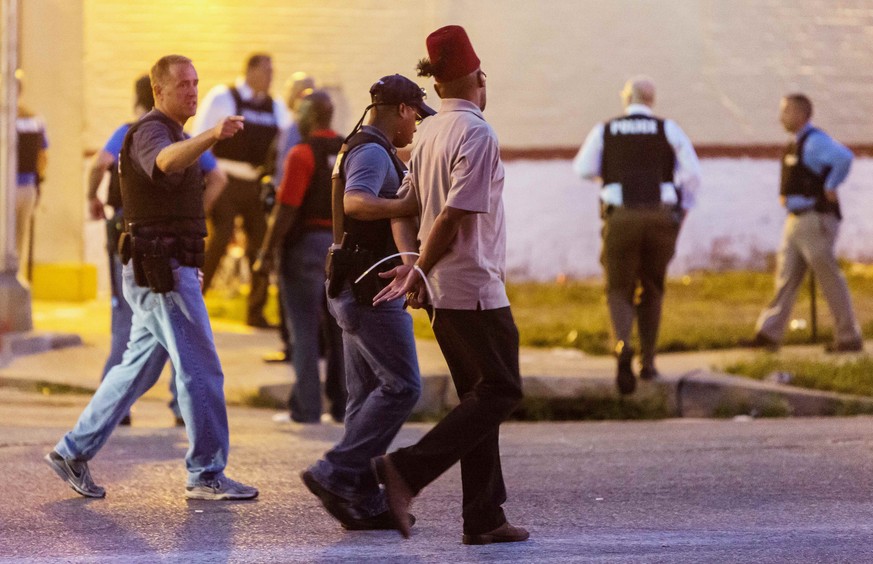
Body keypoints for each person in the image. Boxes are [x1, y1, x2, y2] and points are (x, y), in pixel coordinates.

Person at [45, 54, 257, 501]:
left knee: (137, 371)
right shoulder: (151, 131)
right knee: (201, 370)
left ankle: (72, 451)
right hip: (160, 271)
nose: (193, 92)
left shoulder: (176, 132)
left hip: (165, 268)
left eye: (196, 83)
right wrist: (212, 136)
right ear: (158, 91)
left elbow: (196, 183)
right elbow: (163, 161)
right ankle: (205, 472)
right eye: (183, 84)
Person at [370, 25, 529, 545]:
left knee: (475, 398)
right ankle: (406, 471)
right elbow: (454, 214)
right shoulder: (478, 133)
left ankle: (483, 516)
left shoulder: (430, 133)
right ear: (479, 76)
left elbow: (407, 204)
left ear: (436, 87)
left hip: (440, 289)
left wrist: (415, 261)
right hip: (474, 285)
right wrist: (416, 267)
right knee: (502, 390)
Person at [299, 74, 434, 530]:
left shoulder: (357, 145)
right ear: (400, 110)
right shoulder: (374, 151)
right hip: (370, 287)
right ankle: (337, 470)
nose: (416, 126)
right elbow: (357, 203)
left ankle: (357, 494)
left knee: (363, 395)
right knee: (403, 386)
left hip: (349, 284)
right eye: (416, 115)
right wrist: (406, 204)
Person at [86, 74, 227, 426]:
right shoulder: (177, 139)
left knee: (129, 316)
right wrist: (195, 212)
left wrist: (92, 197)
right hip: (163, 242)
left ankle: (109, 414)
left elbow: (99, 163)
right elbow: (219, 177)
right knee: (171, 327)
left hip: (127, 230)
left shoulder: (128, 131)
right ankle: (180, 408)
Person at [572, 76, 701, 395]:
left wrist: (610, 174)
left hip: (622, 216)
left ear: (625, 99)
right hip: (660, 215)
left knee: (619, 286)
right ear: (651, 100)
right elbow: (693, 174)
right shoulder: (667, 128)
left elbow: (583, 168)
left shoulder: (606, 129)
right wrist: (681, 208)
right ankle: (649, 361)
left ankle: (622, 345)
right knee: (653, 286)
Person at [254, 91, 346, 424]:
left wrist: (265, 253)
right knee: (340, 332)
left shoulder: (302, 154)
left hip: (304, 249)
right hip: (341, 249)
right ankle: (342, 405)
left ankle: (307, 408)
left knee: (303, 332)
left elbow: (286, 209)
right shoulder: (348, 150)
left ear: (309, 116)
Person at [748, 94, 862, 353]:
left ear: (801, 114)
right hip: (796, 220)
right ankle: (769, 333)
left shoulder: (814, 142)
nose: (781, 117)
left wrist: (831, 185)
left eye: (786, 111)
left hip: (815, 218)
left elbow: (844, 158)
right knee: (785, 278)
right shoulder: (795, 144)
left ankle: (848, 336)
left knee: (828, 277)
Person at [193, 53, 291, 328]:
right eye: (266, 71)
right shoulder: (224, 97)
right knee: (221, 235)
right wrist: (204, 178)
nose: (271, 77)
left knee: (261, 244)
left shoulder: (276, 106)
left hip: (255, 182)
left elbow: (286, 139)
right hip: (223, 177)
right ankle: (195, 300)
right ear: (250, 71)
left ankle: (256, 311)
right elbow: (201, 136)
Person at [15, 74, 48, 283]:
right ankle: (15, 278)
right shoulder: (34, 120)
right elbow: (42, 157)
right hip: (27, 187)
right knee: (19, 238)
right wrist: (39, 185)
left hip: (6, 188)